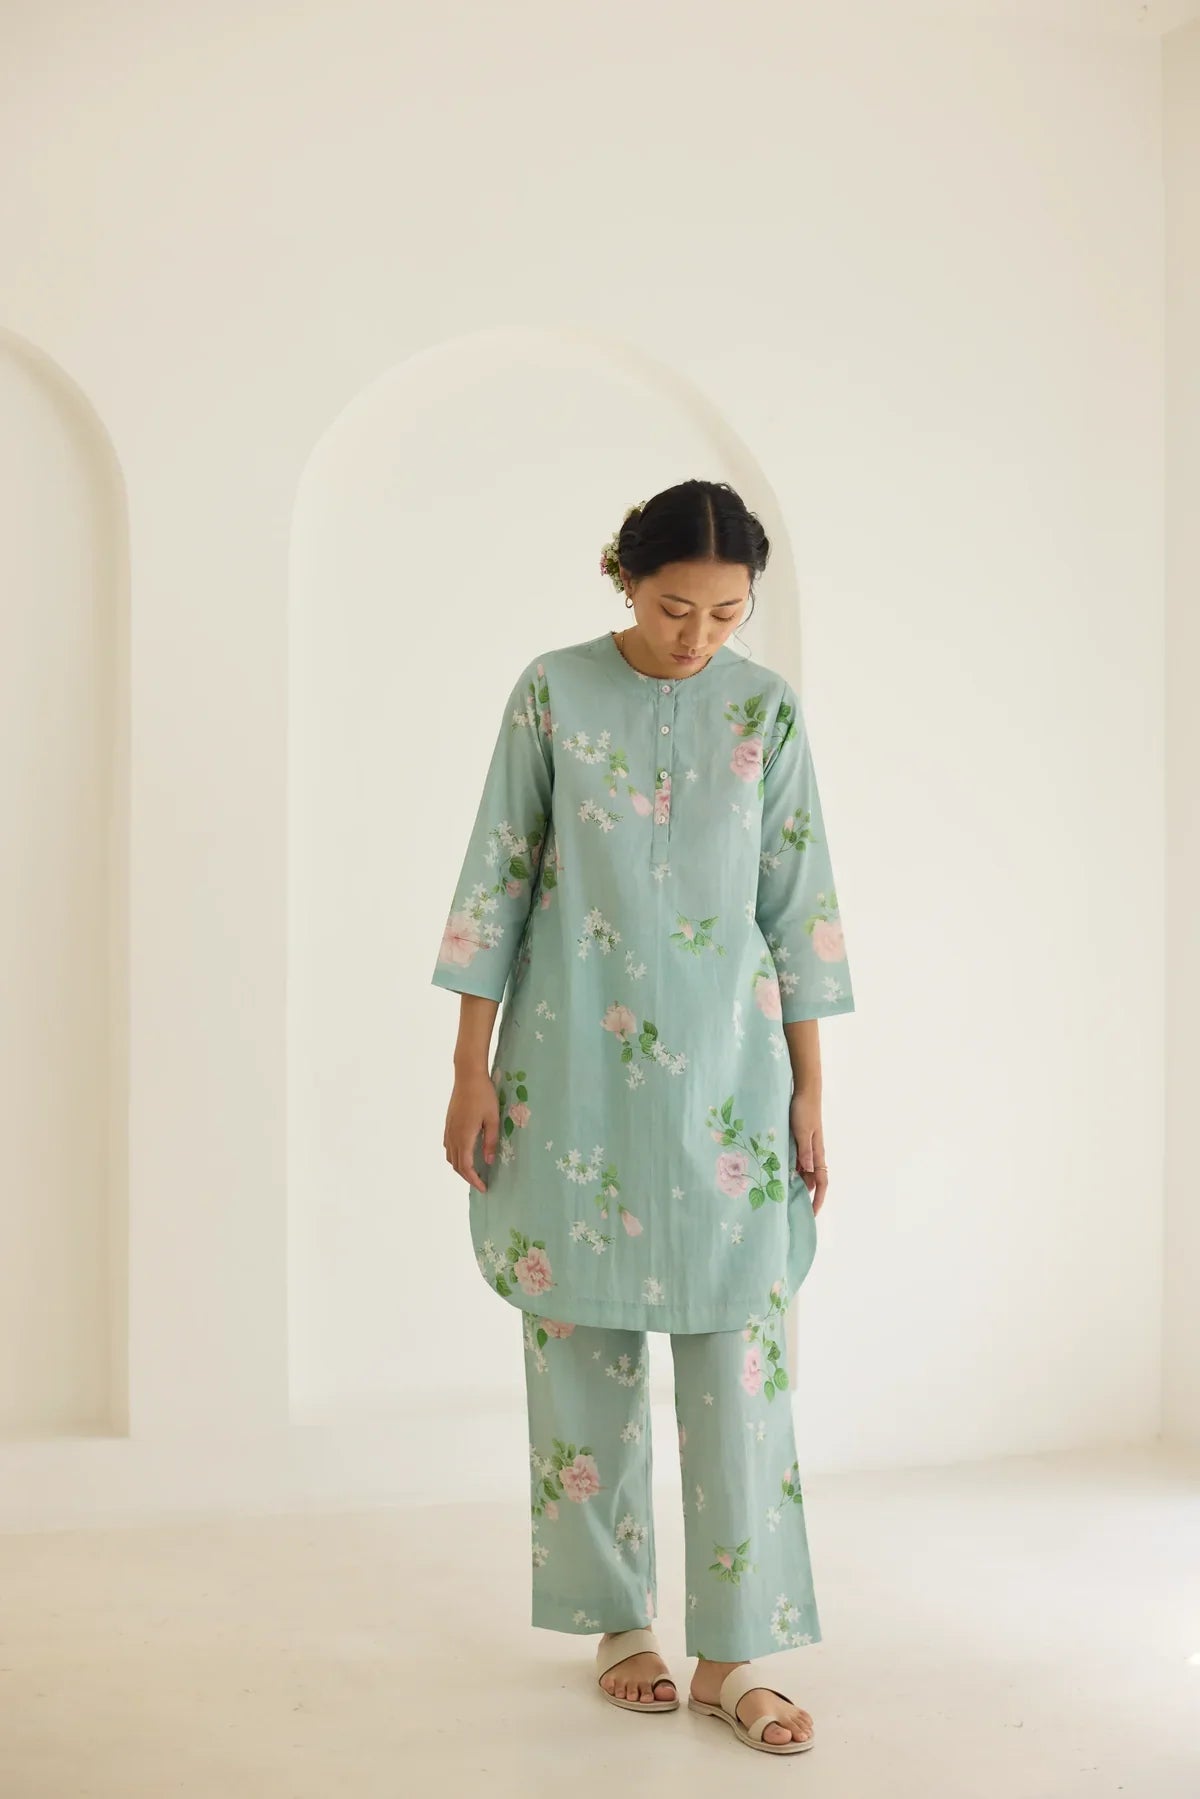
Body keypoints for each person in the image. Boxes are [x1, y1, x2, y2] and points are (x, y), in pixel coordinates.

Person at [432, 478, 855, 1756]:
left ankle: (734, 1653)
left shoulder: (765, 711)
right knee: (580, 1349)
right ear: (626, 578)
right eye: (676, 607)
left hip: (731, 1085)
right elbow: (498, 875)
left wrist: (814, 1089)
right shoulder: (553, 693)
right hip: (570, 1079)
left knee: (741, 1364)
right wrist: (467, 1067)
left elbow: (799, 904)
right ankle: (620, 1625)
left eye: (727, 614)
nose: (698, 636)